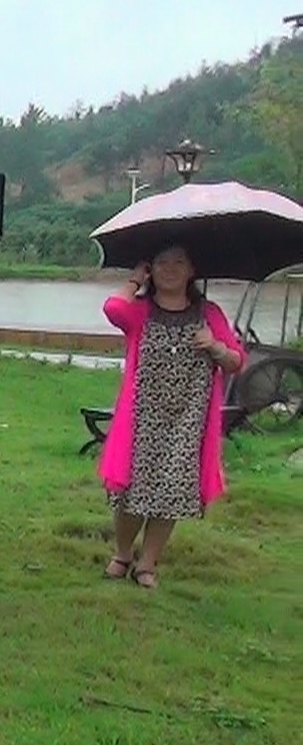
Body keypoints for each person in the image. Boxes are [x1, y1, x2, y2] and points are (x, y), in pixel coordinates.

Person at [98, 244, 244, 589]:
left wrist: (216, 346)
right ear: (152, 268)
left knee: (172, 493)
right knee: (132, 491)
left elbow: (236, 362)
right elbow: (112, 307)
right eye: (162, 262)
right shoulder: (140, 312)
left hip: (188, 422)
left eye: (179, 262)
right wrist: (135, 279)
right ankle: (122, 554)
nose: (171, 269)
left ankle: (147, 564)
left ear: (193, 269)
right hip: (142, 418)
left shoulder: (210, 314)